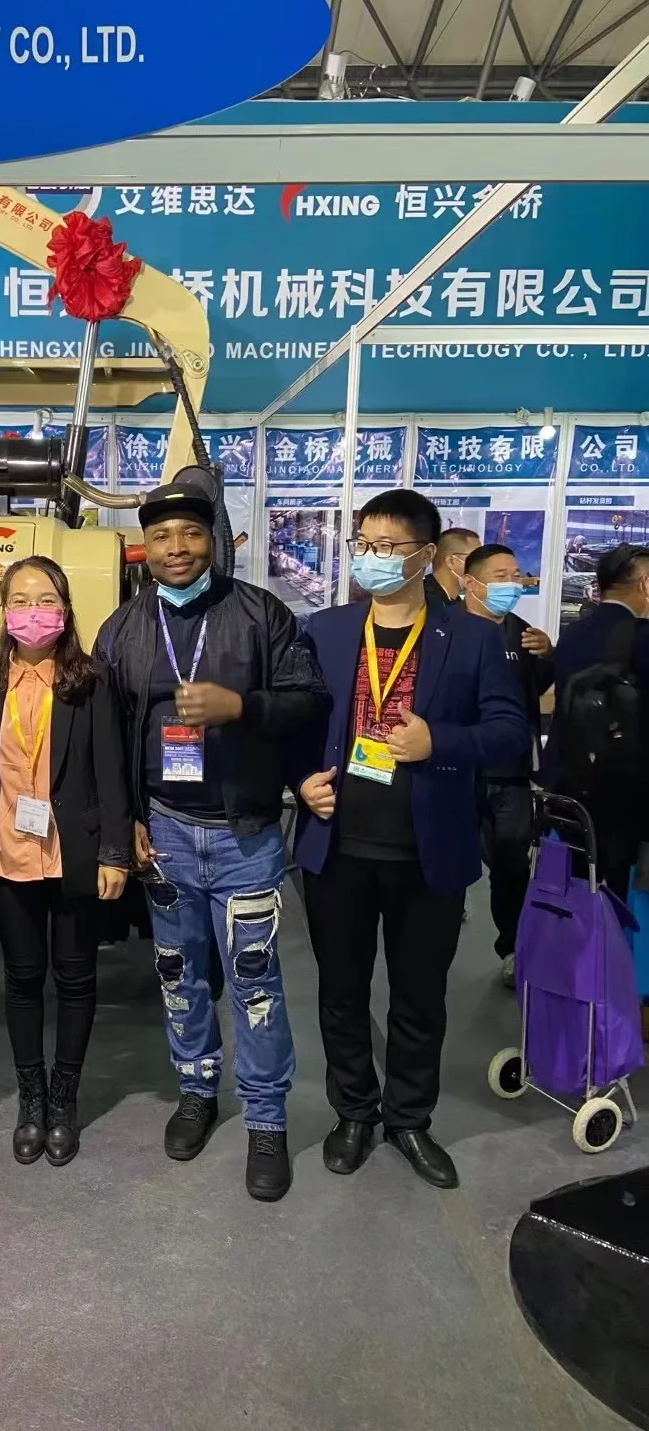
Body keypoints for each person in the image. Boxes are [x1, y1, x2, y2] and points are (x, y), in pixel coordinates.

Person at [95, 479, 330, 1203]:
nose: (177, 548)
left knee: (255, 980)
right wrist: (127, 821)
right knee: (178, 973)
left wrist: (242, 706)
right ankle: (196, 1091)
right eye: (162, 536)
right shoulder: (122, 628)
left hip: (245, 833)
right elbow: (109, 736)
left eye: (191, 534)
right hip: (164, 829)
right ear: (145, 547)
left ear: (213, 540)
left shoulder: (261, 613)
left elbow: (311, 701)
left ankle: (266, 1120)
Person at [295, 490, 529, 1191]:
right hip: (337, 845)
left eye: (387, 546)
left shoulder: (473, 638)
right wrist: (299, 781)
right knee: (340, 992)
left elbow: (510, 733)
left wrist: (440, 742)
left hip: (429, 850)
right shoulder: (327, 631)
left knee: (420, 996)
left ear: (427, 556)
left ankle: (408, 1119)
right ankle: (353, 1112)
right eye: (362, 544)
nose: (369, 557)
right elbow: (295, 724)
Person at [0, 556, 131, 1168]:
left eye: (45, 599)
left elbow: (112, 771)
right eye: (20, 600)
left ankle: (65, 1099)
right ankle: (31, 1099)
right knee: (21, 978)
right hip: (9, 854)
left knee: (76, 977)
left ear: (64, 609)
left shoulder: (90, 681)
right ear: (4, 610)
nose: (32, 611)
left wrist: (115, 852)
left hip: (74, 852)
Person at [462, 544, 555, 987]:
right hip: (457, 768)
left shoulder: (524, 635)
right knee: (445, 853)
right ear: (472, 583)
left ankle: (513, 946)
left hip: (511, 773)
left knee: (512, 860)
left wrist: (548, 656)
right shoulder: (446, 629)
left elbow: (537, 692)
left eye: (516, 575)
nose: (512, 584)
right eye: (501, 576)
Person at [544, 542, 649, 896]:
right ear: (644, 584)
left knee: (577, 882)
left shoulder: (574, 632)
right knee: (618, 890)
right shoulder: (641, 637)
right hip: (625, 790)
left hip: (568, 780)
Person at [423, 527, 480, 610]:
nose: (481, 567)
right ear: (451, 561)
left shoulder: (456, 602)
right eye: (476, 559)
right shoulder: (421, 601)